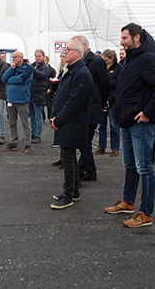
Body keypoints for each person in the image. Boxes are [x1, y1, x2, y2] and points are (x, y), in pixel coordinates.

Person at [104, 23, 155, 228]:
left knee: (144, 168)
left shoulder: (148, 59)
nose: (121, 42)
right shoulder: (132, 60)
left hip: (140, 122)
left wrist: (148, 112)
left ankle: (146, 213)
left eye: (124, 38)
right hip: (127, 120)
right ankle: (127, 202)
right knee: (130, 165)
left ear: (137, 38)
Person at [49, 40, 93, 210]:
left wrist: (58, 120)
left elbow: (74, 102)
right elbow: (62, 95)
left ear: (78, 53)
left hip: (73, 122)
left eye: (68, 50)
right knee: (69, 155)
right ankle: (73, 190)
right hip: (66, 121)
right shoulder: (72, 71)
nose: (64, 52)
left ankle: (68, 194)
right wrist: (55, 116)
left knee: (68, 156)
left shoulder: (81, 74)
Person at [73, 35, 110, 182]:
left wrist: (101, 103)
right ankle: (91, 170)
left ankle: (80, 170)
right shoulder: (80, 62)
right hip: (83, 107)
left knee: (85, 141)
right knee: (84, 141)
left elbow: (105, 84)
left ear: (83, 46)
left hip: (92, 106)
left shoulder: (96, 61)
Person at [2, 51, 34, 154]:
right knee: (12, 122)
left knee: (25, 123)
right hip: (11, 99)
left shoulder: (28, 69)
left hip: (22, 99)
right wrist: (11, 69)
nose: (13, 59)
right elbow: (3, 78)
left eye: (15, 57)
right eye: (13, 57)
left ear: (21, 58)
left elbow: (22, 79)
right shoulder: (12, 68)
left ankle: (28, 143)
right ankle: (13, 142)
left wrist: (10, 80)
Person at [96, 49, 122, 156]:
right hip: (102, 100)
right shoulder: (101, 67)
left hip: (112, 100)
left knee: (114, 125)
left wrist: (107, 82)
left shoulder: (119, 68)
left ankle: (115, 148)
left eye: (106, 60)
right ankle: (101, 147)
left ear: (111, 59)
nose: (104, 62)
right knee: (101, 125)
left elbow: (119, 82)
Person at [29, 49, 53, 143]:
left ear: (43, 57)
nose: (38, 58)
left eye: (39, 56)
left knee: (38, 115)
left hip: (39, 93)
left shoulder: (45, 68)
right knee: (32, 115)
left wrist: (32, 70)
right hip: (31, 93)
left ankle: (38, 135)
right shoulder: (32, 66)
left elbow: (42, 75)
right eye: (36, 56)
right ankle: (33, 133)